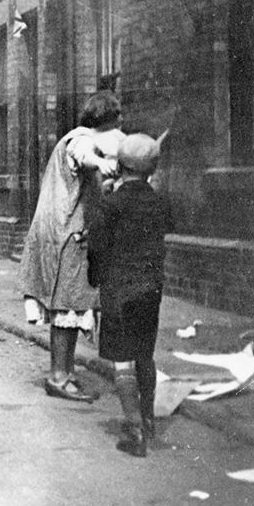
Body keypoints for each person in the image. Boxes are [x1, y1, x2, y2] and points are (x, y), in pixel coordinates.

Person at [18, 91, 125, 402]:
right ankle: (59, 376)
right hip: (64, 236)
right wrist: (102, 164)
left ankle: (65, 372)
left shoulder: (81, 139)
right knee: (66, 307)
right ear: (103, 123)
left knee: (71, 307)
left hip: (62, 232)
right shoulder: (79, 139)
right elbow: (83, 155)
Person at [87, 133, 172, 457]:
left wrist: (95, 279)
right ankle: (148, 418)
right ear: (152, 168)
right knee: (144, 354)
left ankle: (135, 429)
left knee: (122, 361)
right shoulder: (159, 201)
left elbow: (97, 247)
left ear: (120, 166)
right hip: (150, 288)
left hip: (118, 289)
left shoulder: (111, 204)